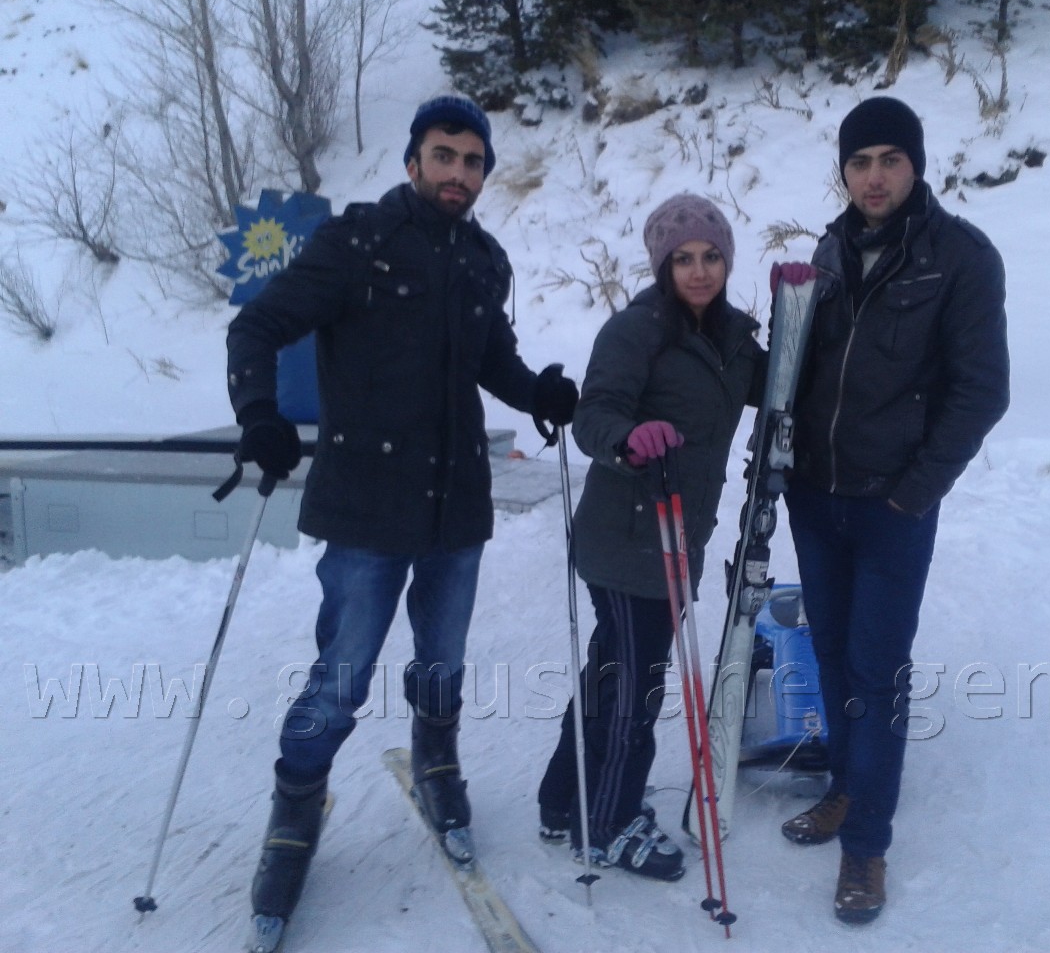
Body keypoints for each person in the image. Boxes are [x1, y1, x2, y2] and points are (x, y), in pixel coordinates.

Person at [226, 95, 579, 916]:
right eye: (444, 155)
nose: (459, 172)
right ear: (413, 160)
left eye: (473, 161)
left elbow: (494, 360)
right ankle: (296, 799)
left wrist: (538, 392)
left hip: (456, 504)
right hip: (364, 506)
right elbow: (258, 326)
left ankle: (436, 761)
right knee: (342, 673)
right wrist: (259, 416)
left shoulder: (485, 260)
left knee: (444, 659)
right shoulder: (356, 242)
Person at [774, 96, 1010, 924]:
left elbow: (982, 391)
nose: (873, 177)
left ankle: (866, 846)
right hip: (817, 496)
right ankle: (846, 786)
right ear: (843, 170)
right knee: (833, 657)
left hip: (892, 507)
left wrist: (916, 491)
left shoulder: (961, 258)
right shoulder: (829, 248)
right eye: (859, 161)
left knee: (876, 673)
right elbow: (804, 367)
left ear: (916, 164)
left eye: (890, 160)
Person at [536, 194, 764, 881]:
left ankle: (563, 800)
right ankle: (606, 823)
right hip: (629, 538)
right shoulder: (636, 331)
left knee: (611, 673)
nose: (699, 271)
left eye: (711, 256)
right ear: (662, 265)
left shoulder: (731, 341)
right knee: (634, 688)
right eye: (683, 258)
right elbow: (594, 414)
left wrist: (807, 317)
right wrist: (629, 438)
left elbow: (784, 383)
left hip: (677, 536)